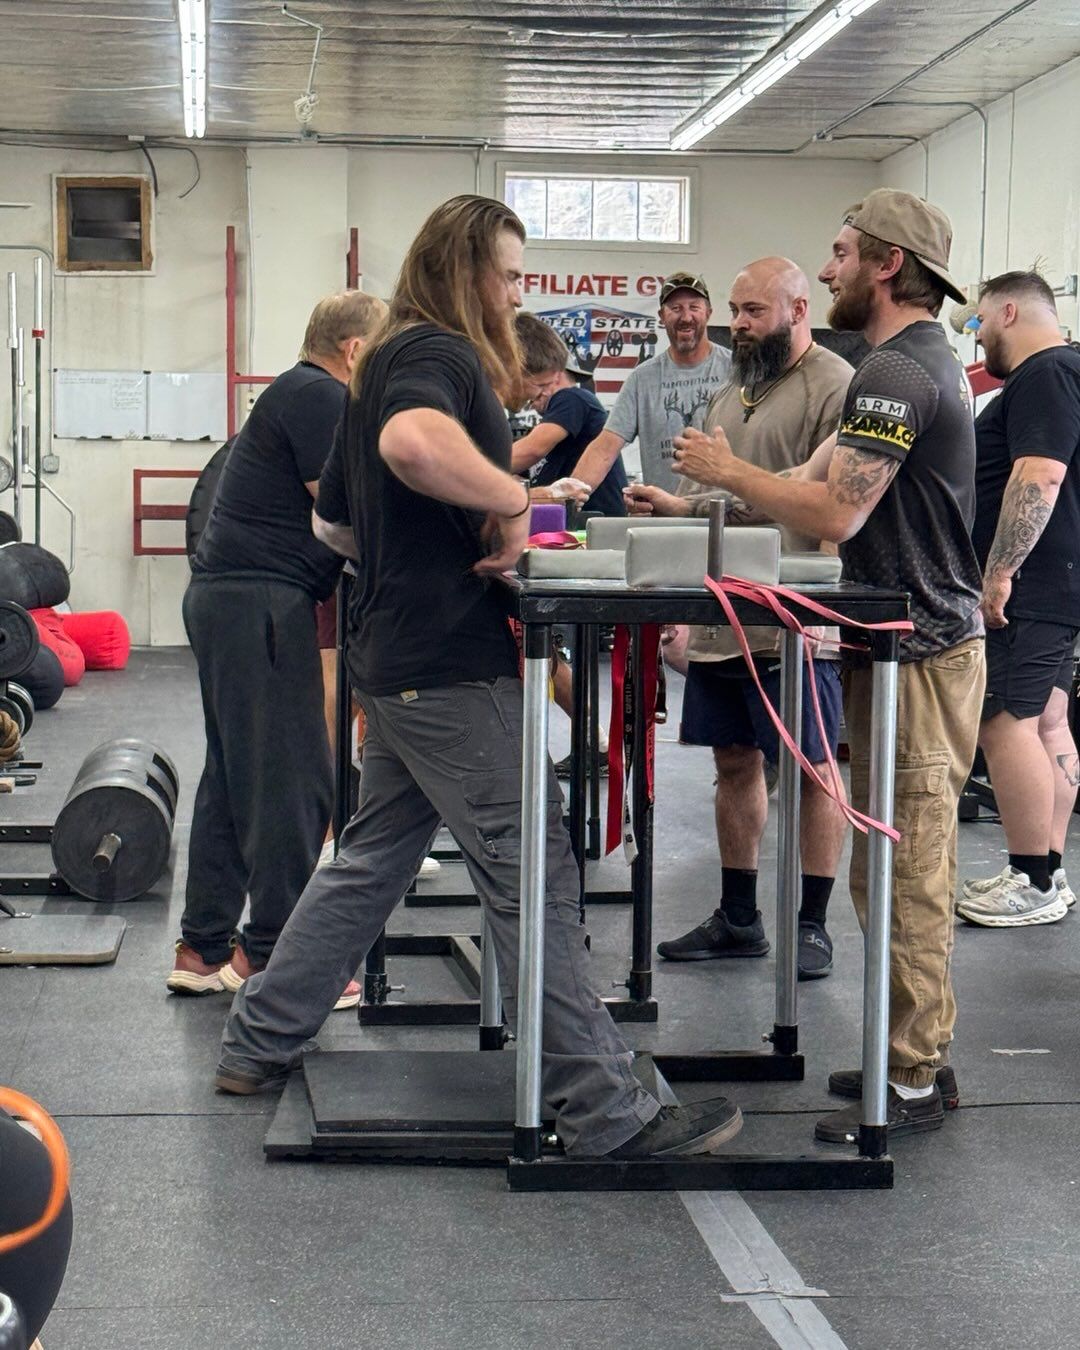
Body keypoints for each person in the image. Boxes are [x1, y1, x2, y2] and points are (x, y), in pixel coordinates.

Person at [215, 194, 743, 1160]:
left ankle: (258, 1039)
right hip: (449, 670)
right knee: (533, 869)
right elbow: (412, 449)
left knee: (372, 862)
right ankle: (603, 1110)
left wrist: (442, 534)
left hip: (396, 657)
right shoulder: (441, 355)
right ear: (467, 275)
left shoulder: (380, 362)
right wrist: (513, 496)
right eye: (507, 273)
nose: (517, 291)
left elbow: (335, 523)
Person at [670, 189, 985, 1143]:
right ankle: (910, 1054)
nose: (832, 267)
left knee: (908, 871)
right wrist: (709, 501)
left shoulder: (894, 372)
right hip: (899, 651)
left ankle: (917, 1075)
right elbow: (813, 482)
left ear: (889, 264)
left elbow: (838, 512)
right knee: (878, 873)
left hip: (923, 655)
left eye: (844, 253)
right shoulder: (894, 366)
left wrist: (728, 475)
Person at [626, 257, 853, 979]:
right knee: (733, 762)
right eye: (737, 309)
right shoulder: (734, 393)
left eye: (754, 310)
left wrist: (823, 620)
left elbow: (825, 504)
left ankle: (812, 924)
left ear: (797, 308)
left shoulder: (834, 389)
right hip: (727, 610)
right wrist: (677, 508)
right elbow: (720, 501)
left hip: (797, 609)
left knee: (815, 767)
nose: (739, 323)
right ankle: (739, 916)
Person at [167, 290, 387, 1005]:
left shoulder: (293, 393)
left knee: (234, 782)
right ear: (355, 351)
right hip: (260, 601)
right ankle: (278, 956)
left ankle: (204, 948)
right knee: (296, 781)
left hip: (231, 599)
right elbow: (344, 507)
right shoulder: (323, 397)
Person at [956, 270, 1080, 927]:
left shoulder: (1044, 372)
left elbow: (1040, 473)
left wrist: (999, 571)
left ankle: (1030, 879)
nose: (978, 341)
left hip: (1030, 588)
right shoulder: (1066, 371)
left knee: (1005, 723)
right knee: (1049, 723)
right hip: (1055, 584)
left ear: (1009, 311)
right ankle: (1049, 872)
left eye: (979, 324)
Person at [569, 271, 731, 494]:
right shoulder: (642, 379)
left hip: (727, 518)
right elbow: (605, 447)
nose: (686, 317)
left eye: (694, 307)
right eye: (675, 309)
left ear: (708, 313)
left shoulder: (735, 370)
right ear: (661, 317)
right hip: (664, 521)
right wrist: (569, 496)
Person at [512, 311, 628, 517]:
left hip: (592, 522)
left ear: (557, 376)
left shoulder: (573, 398)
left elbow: (532, 450)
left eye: (544, 383)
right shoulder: (557, 423)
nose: (537, 397)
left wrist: (476, 470)